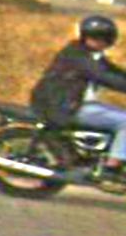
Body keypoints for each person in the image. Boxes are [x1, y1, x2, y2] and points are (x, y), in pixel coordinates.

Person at [31, 15, 126, 179]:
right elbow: (103, 76)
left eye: (103, 38)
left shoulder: (89, 55)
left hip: (73, 104)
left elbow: (116, 73)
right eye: (95, 38)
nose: (100, 42)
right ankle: (112, 167)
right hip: (65, 107)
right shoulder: (79, 57)